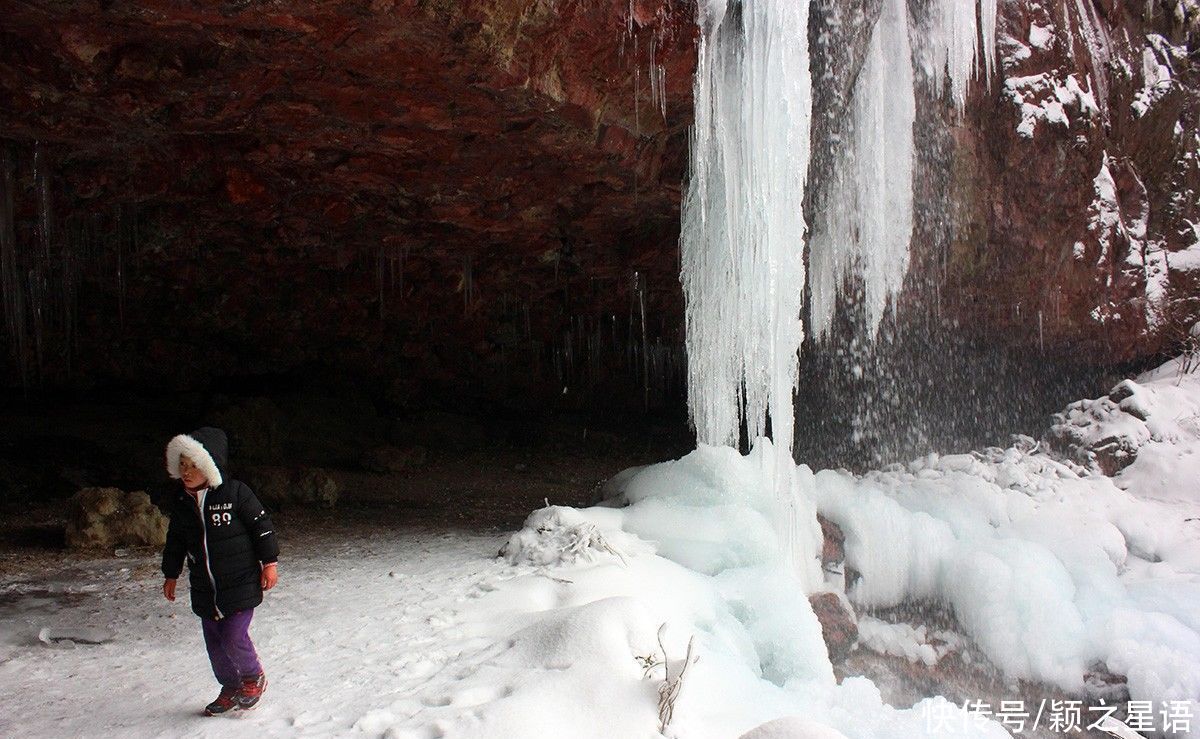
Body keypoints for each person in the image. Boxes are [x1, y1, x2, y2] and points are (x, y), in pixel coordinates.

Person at [160, 427, 280, 716]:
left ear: (211, 465)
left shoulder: (235, 493)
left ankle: (253, 677)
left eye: (194, 465)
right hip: (205, 589)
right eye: (183, 466)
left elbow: (261, 528)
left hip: (239, 583)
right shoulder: (182, 504)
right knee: (215, 643)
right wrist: (171, 573)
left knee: (233, 636)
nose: (187, 472)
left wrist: (270, 563)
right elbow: (175, 541)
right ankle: (230, 686)